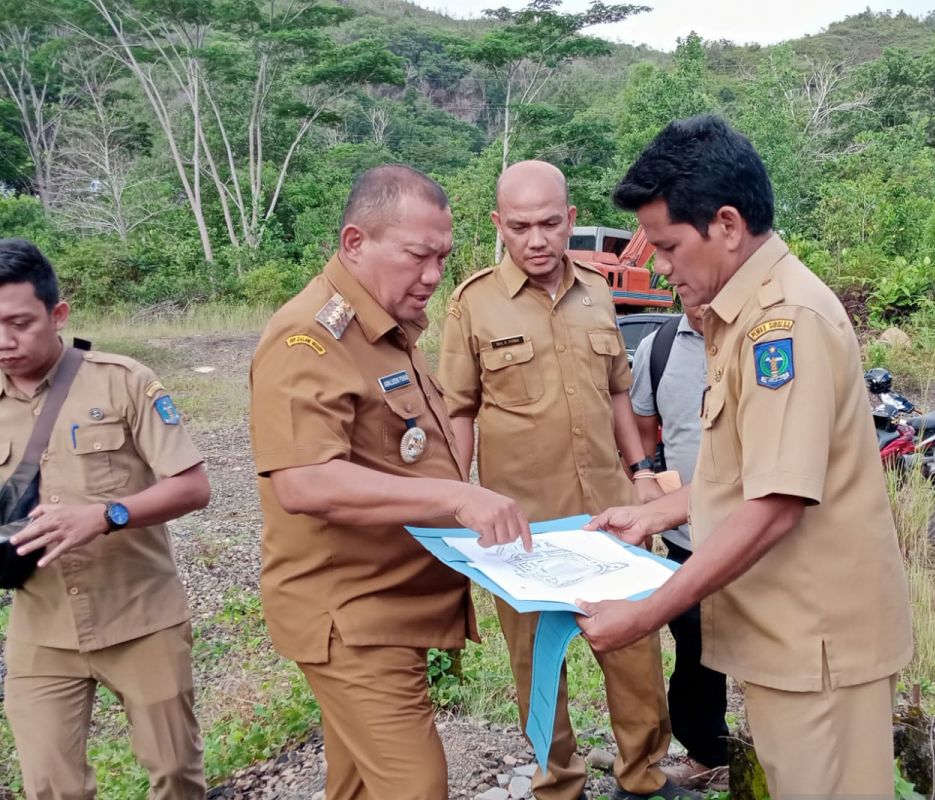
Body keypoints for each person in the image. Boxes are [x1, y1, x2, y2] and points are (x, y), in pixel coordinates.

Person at [576, 116, 914, 799]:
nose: (659, 265)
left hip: (818, 645)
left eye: (668, 245)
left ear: (726, 225)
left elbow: (775, 506)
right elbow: (751, 473)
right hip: (788, 639)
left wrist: (644, 614)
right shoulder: (740, 315)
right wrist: (654, 515)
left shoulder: (781, 325)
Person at [249, 165, 532, 800]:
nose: (433, 275)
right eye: (416, 255)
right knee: (414, 785)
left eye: (441, 257)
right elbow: (303, 481)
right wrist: (457, 496)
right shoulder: (310, 340)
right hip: (351, 617)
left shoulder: (387, 329)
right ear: (355, 242)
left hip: (391, 608)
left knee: (355, 784)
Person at [439, 160, 685, 800]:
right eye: (520, 227)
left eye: (550, 223)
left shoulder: (599, 294)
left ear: (570, 220)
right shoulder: (473, 305)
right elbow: (459, 411)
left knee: (635, 654)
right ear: (499, 226)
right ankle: (559, 783)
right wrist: (454, 499)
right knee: (537, 664)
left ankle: (643, 777)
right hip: (519, 528)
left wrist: (641, 474)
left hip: (609, 515)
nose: (537, 239)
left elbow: (618, 396)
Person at [1, 238, 211, 799]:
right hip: (40, 629)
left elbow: (193, 487)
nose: (5, 341)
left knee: (175, 774)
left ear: (58, 313)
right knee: (49, 785)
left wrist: (106, 515)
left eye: (19, 322)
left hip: (142, 617)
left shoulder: (123, 381)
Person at [628, 303, 728, 788]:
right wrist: (647, 472)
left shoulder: (755, 338)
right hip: (687, 535)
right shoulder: (659, 347)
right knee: (695, 648)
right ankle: (708, 751)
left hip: (759, 532)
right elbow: (643, 421)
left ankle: (785, 753)